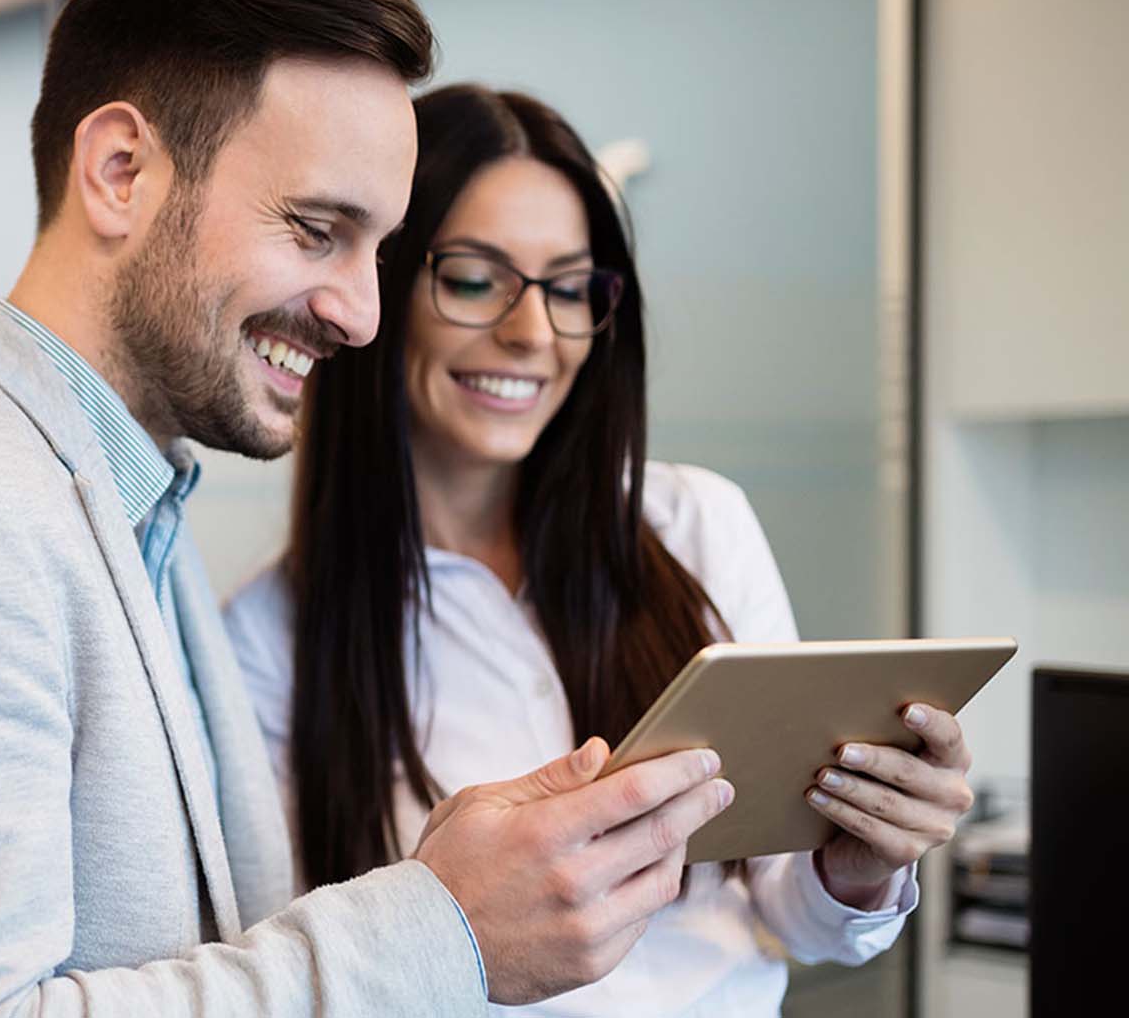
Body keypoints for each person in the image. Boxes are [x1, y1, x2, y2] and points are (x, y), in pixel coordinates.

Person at [0, 0, 737, 1017]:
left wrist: (441, 879)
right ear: (121, 172)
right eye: (316, 230)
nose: (360, 313)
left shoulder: (126, 510)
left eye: (378, 252)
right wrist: (439, 926)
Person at [224, 85, 978, 1016]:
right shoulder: (268, 639)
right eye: (475, 278)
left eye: (571, 288)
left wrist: (857, 864)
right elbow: (309, 979)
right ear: (382, 287)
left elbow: (795, 913)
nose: (533, 333)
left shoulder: (697, 525)